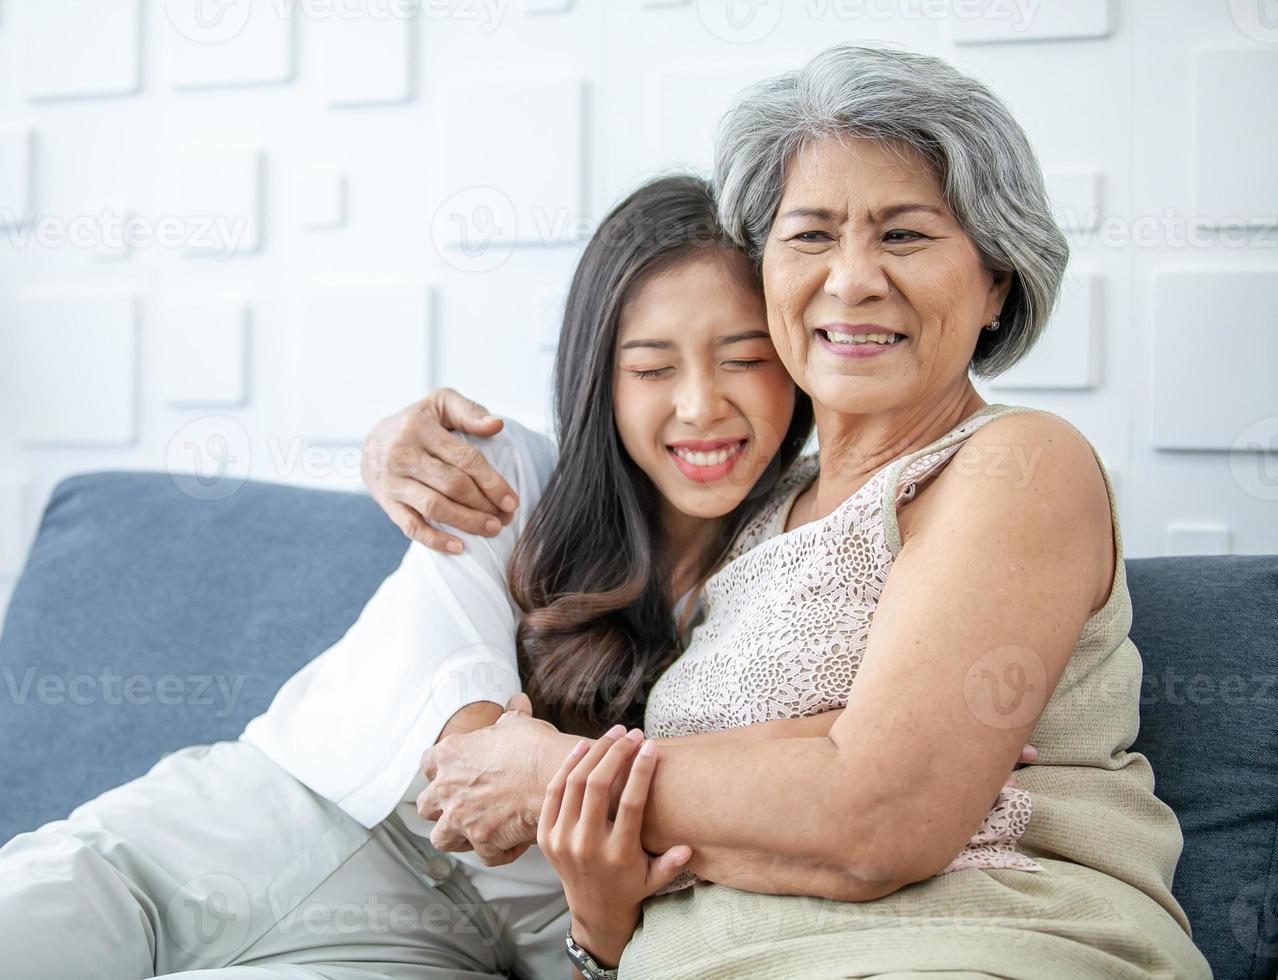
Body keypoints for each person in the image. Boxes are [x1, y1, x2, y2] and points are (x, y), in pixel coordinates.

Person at [0, 174, 989, 979]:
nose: (700, 406)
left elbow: (810, 784)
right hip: (252, 821)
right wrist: (499, 760)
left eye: (744, 359)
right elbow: (449, 665)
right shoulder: (513, 473)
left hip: (434, 946)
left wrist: (539, 791)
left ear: (795, 363)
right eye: (652, 367)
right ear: (600, 381)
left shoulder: (804, 574)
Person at [363, 43, 1210, 979]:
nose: (850, 280)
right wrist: (401, 441)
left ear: (996, 280)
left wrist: (547, 776)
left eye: (904, 235)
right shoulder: (753, 513)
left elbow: (879, 816)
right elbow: (612, 463)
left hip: (976, 947)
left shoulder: (1016, 464)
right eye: (810, 235)